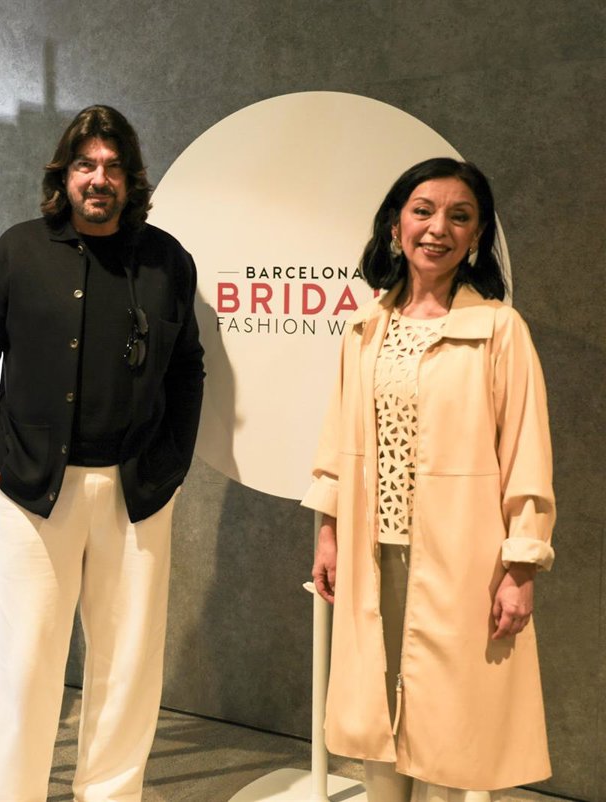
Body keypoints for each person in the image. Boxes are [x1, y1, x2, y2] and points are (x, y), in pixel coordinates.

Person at [0, 105, 204, 801]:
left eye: (113, 167)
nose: (99, 179)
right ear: (64, 175)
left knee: (128, 665)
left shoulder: (167, 260)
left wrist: (174, 465)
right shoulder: (20, 251)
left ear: (132, 179)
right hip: (36, 491)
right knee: (25, 663)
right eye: (86, 165)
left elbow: (188, 368)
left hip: (138, 492)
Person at [305, 158, 555, 801]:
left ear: (477, 235)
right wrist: (329, 532)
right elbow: (336, 446)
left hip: (463, 558)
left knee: (449, 726)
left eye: (459, 216)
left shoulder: (499, 330)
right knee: (375, 714)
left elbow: (527, 454)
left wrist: (521, 566)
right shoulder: (365, 328)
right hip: (373, 551)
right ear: (396, 225)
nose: (438, 228)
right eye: (423, 211)